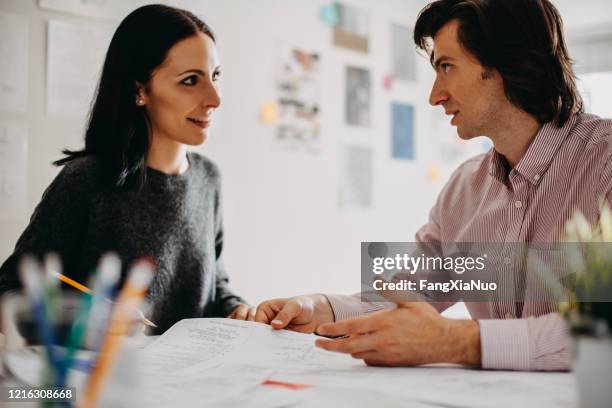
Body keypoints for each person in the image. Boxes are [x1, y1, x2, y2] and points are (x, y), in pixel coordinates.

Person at [255, 0, 612, 371]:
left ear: (509, 63)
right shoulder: (463, 189)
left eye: (447, 67)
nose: (434, 95)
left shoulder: (606, 163)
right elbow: (412, 292)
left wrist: (456, 342)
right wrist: (321, 308)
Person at [0, 4, 254, 334]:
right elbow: (8, 293)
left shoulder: (208, 179)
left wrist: (237, 309)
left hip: (188, 383)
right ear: (139, 91)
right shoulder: (86, 180)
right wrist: (88, 321)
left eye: (215, 76)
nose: (214, 99)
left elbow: (215, 284)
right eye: (190, 80)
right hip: (101, 382)